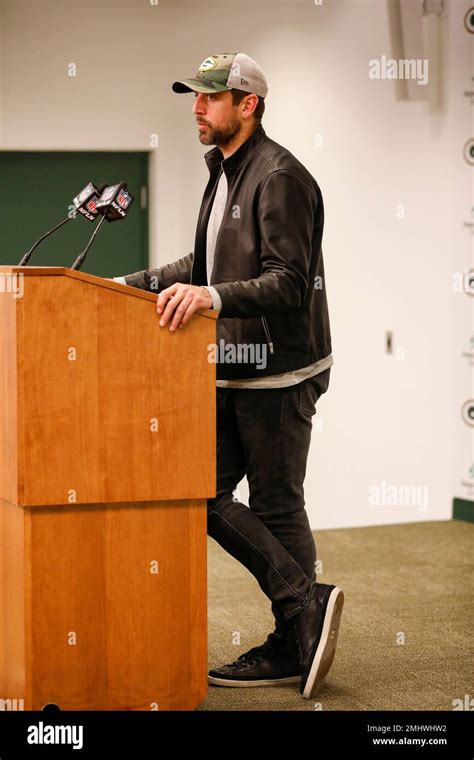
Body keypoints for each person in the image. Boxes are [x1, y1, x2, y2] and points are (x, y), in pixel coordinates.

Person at [113, 52, 344, 699]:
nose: (196, 107)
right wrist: (124, 288)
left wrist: (211, 300)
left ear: (249, 105)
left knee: (274, 503)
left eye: (211, 97)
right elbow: (206, 262)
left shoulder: (280, 176)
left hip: (278, 369)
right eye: (194, 96)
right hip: (234, 365)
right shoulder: (224, 171)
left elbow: (290, 282)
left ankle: (294, 634)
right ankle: (303, 608)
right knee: (204, 494)